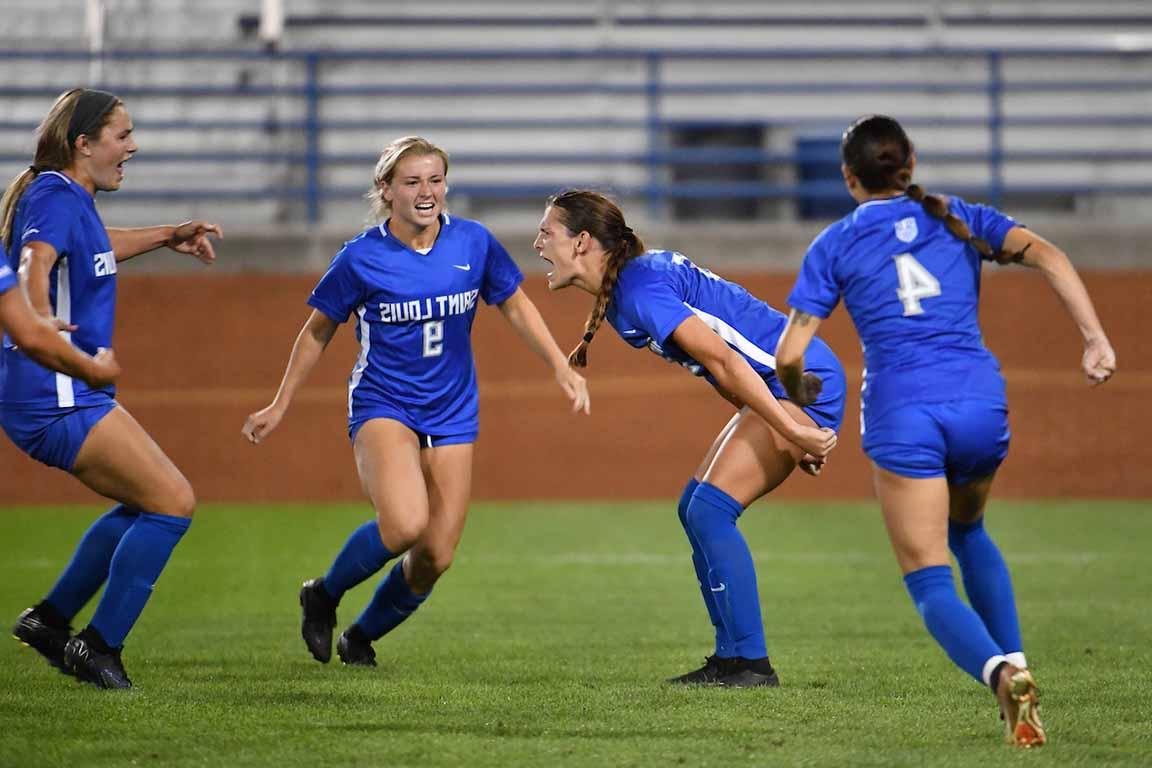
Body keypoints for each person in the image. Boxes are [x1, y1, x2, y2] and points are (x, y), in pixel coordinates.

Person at [775, 115, 1116, 746]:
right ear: (909, 162)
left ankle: (1000, 673)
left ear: (850, 178)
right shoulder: (958, 216)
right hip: (979, 404)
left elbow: (791, 355)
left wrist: (800, 395)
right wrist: (1094, 340)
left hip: (904, 411)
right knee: (970, 529)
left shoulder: (836, 244)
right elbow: (1051, 255)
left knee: (929, 578)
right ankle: (1023, 675)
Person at [242, 136, 590, 669]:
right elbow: (317, 331)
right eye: (412, 182)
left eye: (435, 179)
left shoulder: (473, 243)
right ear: (386, 190)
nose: (427, 192)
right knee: (405, 523)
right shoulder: (360, 257)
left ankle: (360, 637)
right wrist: (280, 402)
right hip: (385, 403)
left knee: (435, 555)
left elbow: (515, 305)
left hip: (452, 410)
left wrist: (558, 365)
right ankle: (324, 595)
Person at [535, 189, 842, 687]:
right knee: (693, 507)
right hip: (780, 386)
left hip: (799, 383)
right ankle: (732, 657)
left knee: (710, 510)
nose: (538, 243)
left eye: (547, 232)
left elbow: (725, 360)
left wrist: (790, 427)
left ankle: (751, 664)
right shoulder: (626, 289)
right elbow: (719, 370)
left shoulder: (636, 290)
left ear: (583, 241)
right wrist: (786, 432)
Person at [3, 88, 223, 690]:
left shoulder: (69, 197)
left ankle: (49, 621)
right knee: (172, 502)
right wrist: (41, 318)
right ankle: (97, 646)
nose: (132, 146)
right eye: (121, 135)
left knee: (146, 504)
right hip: (56, 390)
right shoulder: (53, 193)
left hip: (62, 389)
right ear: (83, 143)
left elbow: (93, 252)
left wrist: (166, 235)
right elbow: (34, 263)